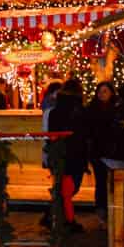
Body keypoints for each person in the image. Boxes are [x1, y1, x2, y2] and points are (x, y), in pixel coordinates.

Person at [46, 79, 88, 231]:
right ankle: (60, 218)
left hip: (59, 153)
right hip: (76, 154)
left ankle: (55, 216)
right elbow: (84, 134)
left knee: (62, 187)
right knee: (71, 187)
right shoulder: (80, 110)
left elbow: (51, 133)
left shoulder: (55, 111)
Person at [82, 81, 121, 221]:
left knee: (114, 181)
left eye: (105, 91)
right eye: (100, 91)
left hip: (113, 150)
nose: (101, 94)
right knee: (101, 181)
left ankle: (115, 210)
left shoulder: (117, 109)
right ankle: (101, 211)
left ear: (111, 93)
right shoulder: (91, 109)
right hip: (97, 150)